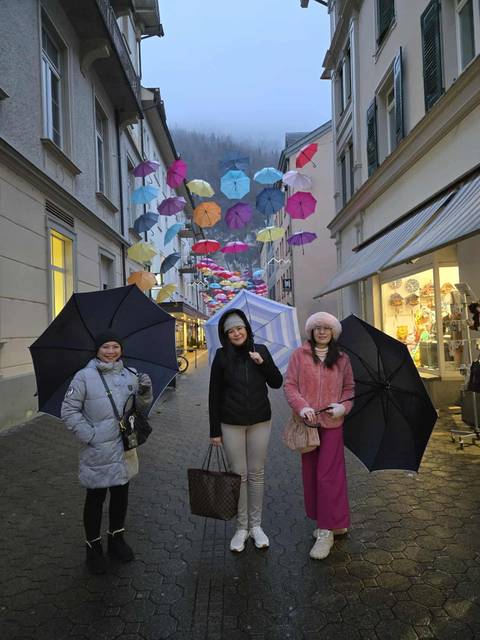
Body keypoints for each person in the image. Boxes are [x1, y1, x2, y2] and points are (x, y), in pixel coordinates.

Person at [61, 331, 152, 574]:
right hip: (98, 449)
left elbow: (141, 409)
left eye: (115, 346)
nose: (111, 351)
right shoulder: (84, 377)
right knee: (96, 498)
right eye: (105, 347)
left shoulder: (131, 375)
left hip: (124, 447)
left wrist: (144, 391)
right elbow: (69, 410)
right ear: (97, 350)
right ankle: (93, 547)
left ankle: (116, 539)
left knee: (121, 493)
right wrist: (90, 435)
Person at [209, 309, 283, 552]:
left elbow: (276, 382)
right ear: (226, 335)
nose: (236, 333)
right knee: (238, 475)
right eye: (231, 331)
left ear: (246, 329)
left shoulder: (259, 351)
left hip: (260, 421)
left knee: (257, 473)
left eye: (239, 328)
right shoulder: (221, 357)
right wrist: (214, 431)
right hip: (231, 423)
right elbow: (214, 395)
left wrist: (263, 364)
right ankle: (241, 528)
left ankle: (256, 526)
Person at [284, 312, 354, 560]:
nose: (322, 332)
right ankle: (329, 522)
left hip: (333, 424)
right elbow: (290, 385)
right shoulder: (299, 356)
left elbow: (349, 389)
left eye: (327, 328)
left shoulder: (342, 359)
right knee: (312, 475)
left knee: (329, 476)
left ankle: (326, 531)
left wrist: (343, 407)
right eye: (317, 328)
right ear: (311, 332)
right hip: (308, 426)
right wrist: (302, 406)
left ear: (333, 332)